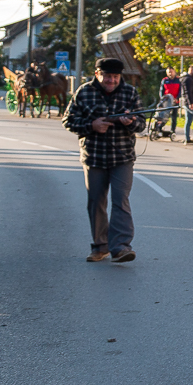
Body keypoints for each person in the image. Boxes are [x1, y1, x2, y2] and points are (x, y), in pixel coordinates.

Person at [62, 58, 146, 263]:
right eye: (107, 76)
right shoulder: (84, 92)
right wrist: (92, 125)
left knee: (120, 200)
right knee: (96, 202)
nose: (111, 80)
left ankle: (121, 247)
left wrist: (130, 122)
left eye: (115, 77)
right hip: (94, 157)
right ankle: (100, 247)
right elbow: (68, 120)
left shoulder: (130, 92)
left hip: (122, 157)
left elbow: (141, 124)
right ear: (97, 74)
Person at [160, 66, 181, 135]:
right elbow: (161, 91)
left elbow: (181, 91)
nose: (170, 73)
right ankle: (159, 128)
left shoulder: (178, 80)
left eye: (171, 72)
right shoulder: (164, 80)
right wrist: (162, 98)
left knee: (174, 117)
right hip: (167, 101)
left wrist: (177, 98)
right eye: (169, 72)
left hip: (175, 101)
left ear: (174, 72)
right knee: (164, 115)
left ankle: (173, 130)